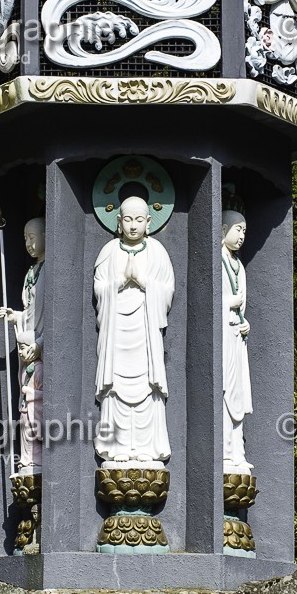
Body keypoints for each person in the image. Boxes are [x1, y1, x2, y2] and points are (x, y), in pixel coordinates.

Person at [93, 195, 175, 466]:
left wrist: (142, 282)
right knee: (115, 387)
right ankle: (116, 444)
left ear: (149, 222)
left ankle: (145, 446)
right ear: (118, 222)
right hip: (116, 329)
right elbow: (99, 289)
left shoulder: (157, 252)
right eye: (127, 219)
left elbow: (167, 292)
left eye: (139, 220)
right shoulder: (109, 251)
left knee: (146, 387)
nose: (132, 226)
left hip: (145, 328)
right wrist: (118, 281)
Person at [0, 217, 45, 471]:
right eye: (26, 238)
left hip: (38, 347)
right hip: (29, 346)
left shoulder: (49, 270)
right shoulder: (32, 272)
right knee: (25, 412)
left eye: (33, 237)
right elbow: (30, 310)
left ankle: (35, 458)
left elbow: (47, 314)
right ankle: (28, 459)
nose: (29, 243)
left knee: (35, 410)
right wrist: (16, 316)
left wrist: (40, 343)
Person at [221, 210, 253, 472]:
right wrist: (226, 304)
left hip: (236, 337)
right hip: (223, 338)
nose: (242, 235)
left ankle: (237, 451)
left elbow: (242, 306)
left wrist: (245, 322)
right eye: (237, 229)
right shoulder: (218, 260)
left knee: (238, 393)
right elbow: (209, 304)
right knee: (224, 392)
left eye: (244, 230)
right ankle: (224, 451)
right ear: (223, 231)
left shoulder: (239, 266)